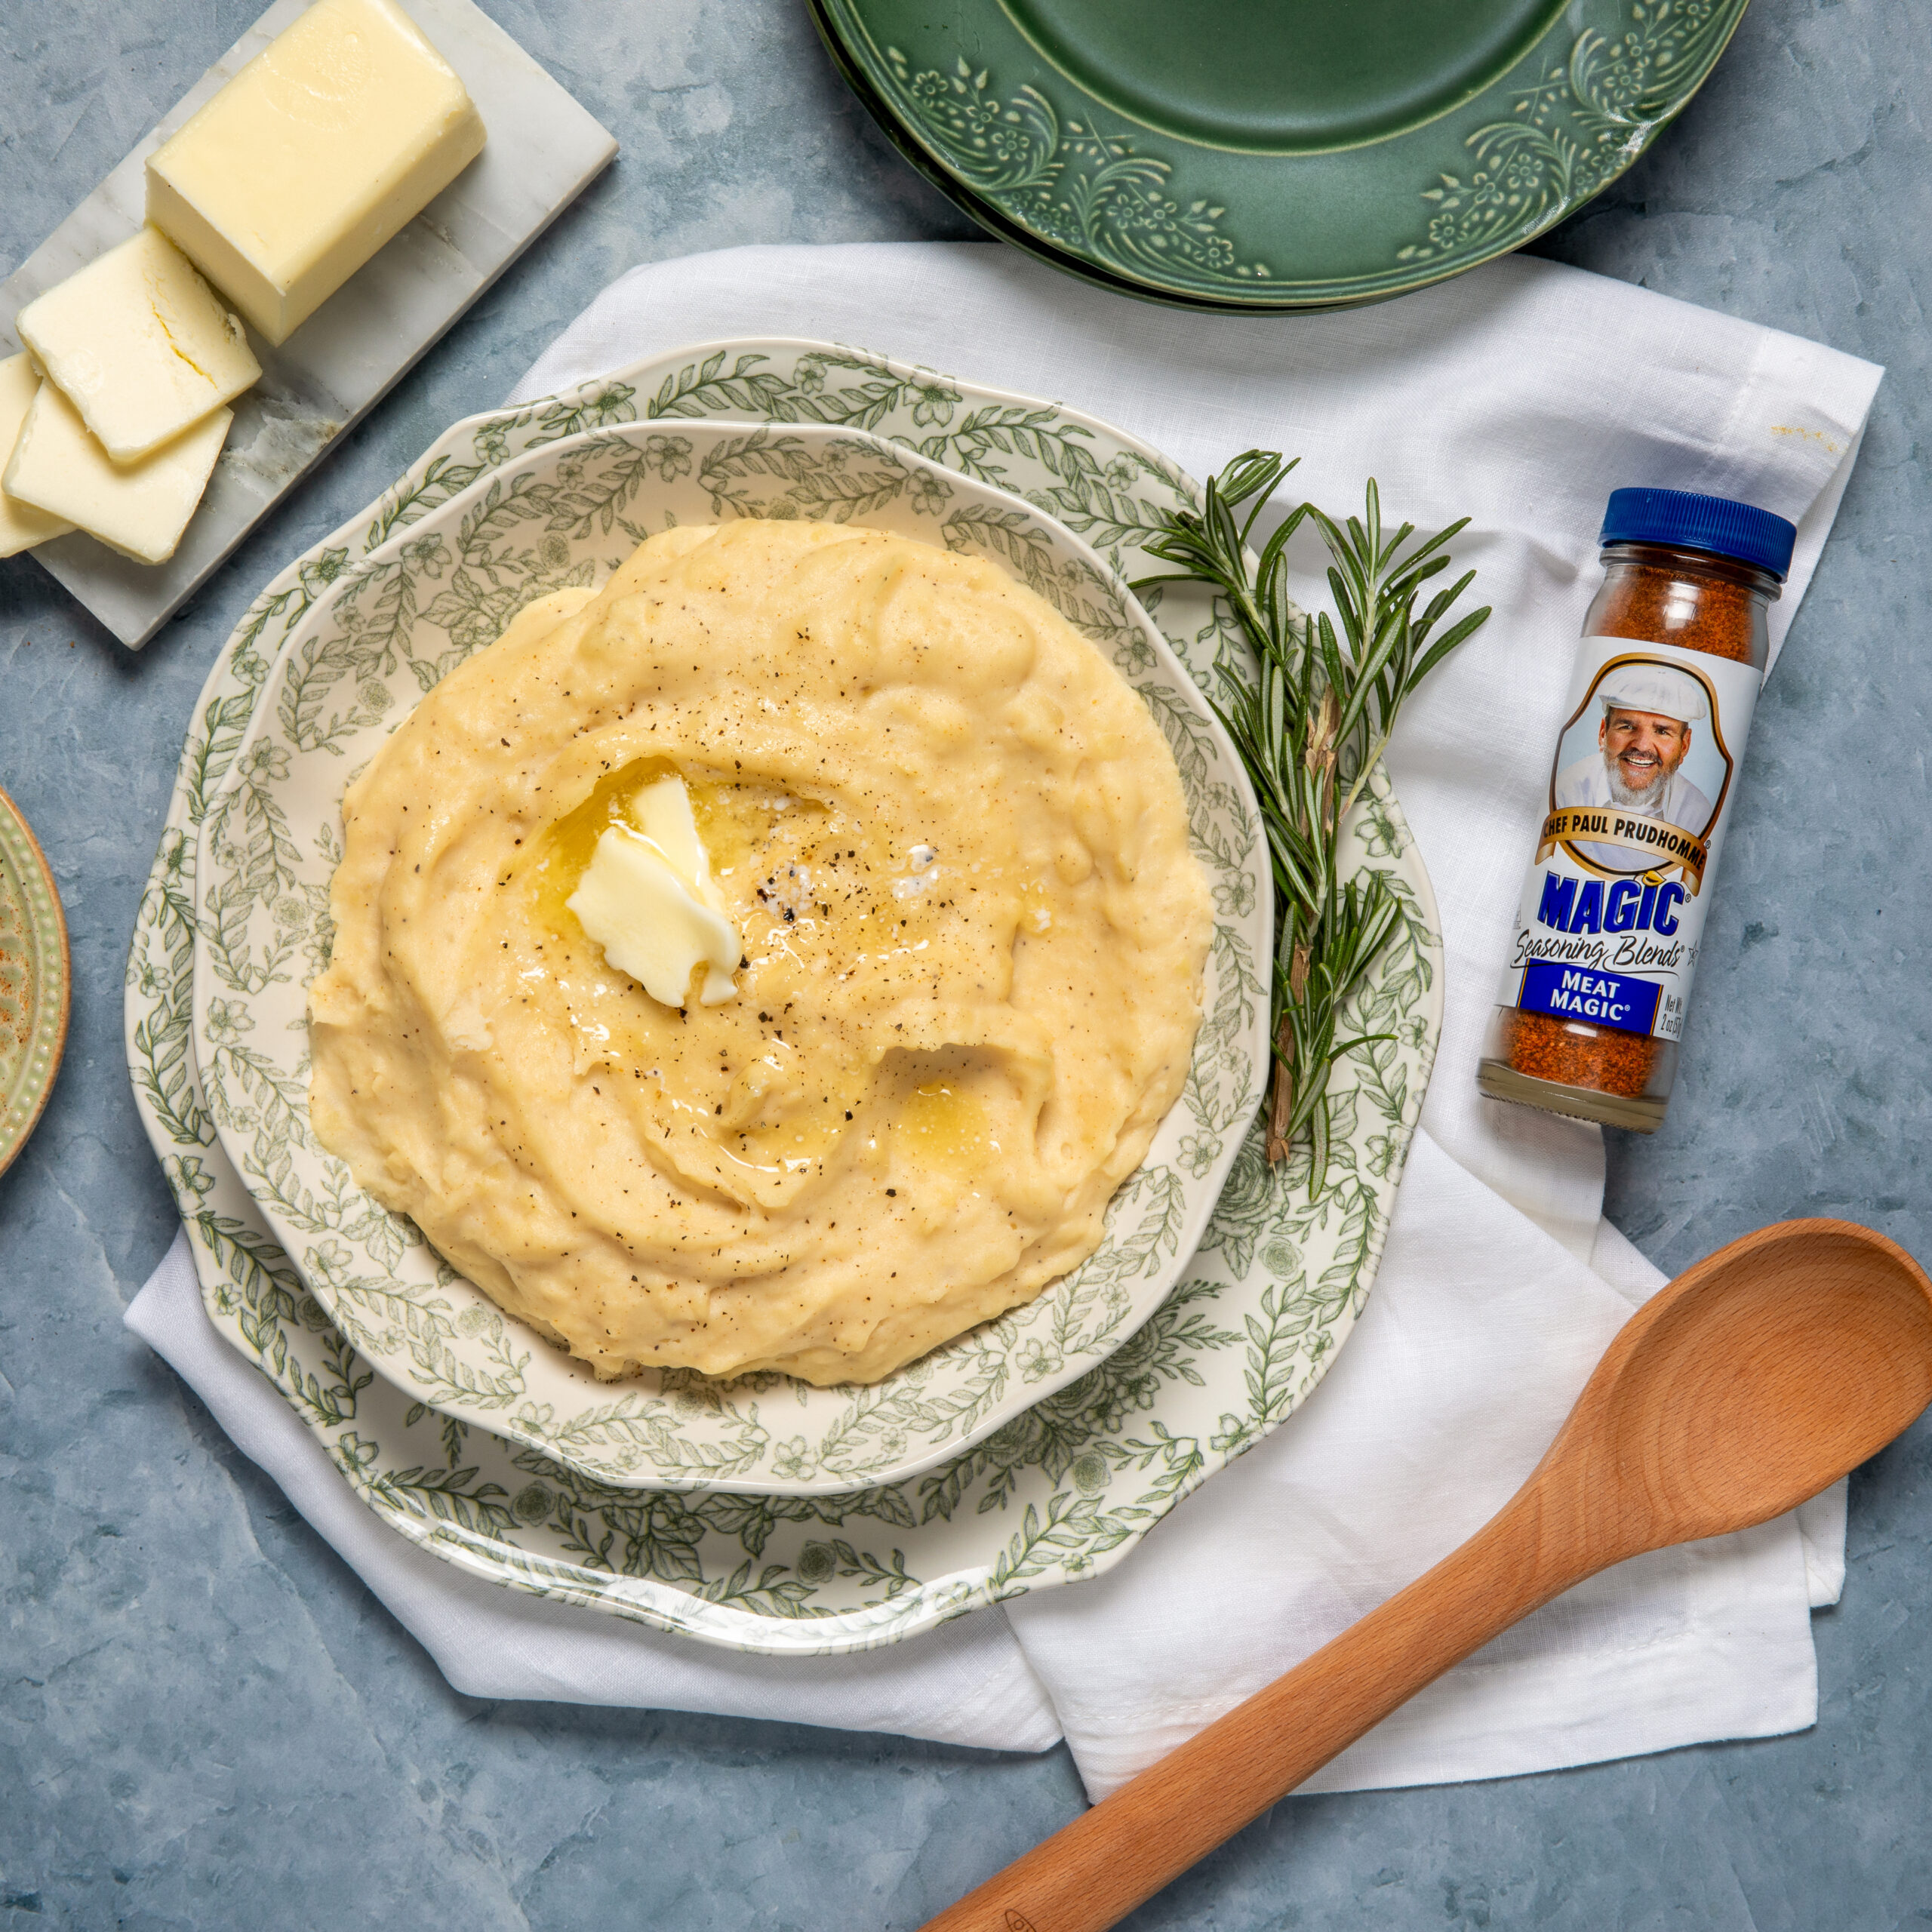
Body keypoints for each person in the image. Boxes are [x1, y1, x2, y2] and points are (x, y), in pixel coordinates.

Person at [1552, 662, 1715, 870]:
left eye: (1662, 731)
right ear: (1603, 733)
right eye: (1627, 726)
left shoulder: (1695, 811)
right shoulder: (1568, 790)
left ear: (1684, 745)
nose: (1642, 745)